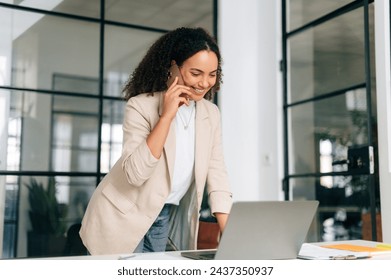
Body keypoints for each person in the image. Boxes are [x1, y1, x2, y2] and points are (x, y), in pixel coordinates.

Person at [79, 27, 233, 255]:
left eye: (212, 74)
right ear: (173, 67)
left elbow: (217, 172)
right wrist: (167, 116)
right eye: (196, 73)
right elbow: (135, 174)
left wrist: (229, 232)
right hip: (121, 217)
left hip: (163, 216)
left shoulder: (211, 114)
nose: (204, 83)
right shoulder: (141, 106)